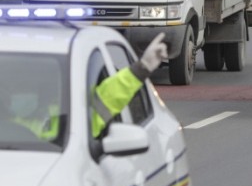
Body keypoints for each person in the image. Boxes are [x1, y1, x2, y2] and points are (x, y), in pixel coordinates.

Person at [1, 33, 168, 140]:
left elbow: (109, 97)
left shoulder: (71, 114)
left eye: (25, 86)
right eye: (14, 87)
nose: (18, 92)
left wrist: (140, 69)